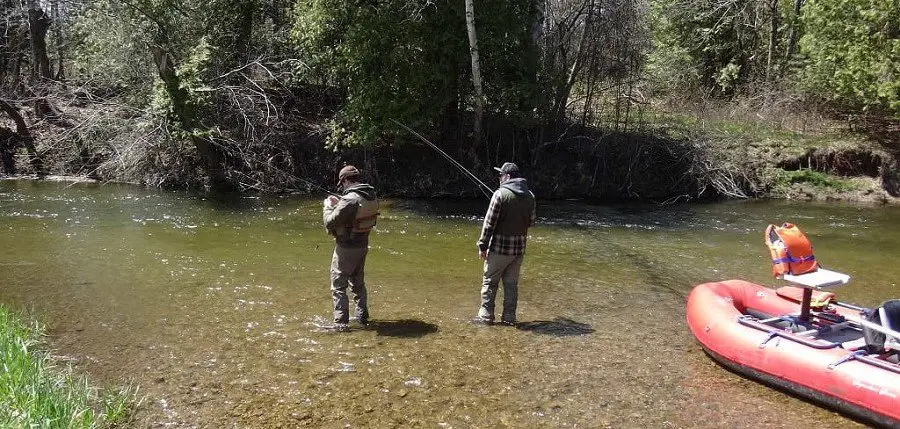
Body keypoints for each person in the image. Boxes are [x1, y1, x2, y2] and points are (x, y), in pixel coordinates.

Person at [475, 162, 536, 325]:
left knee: (490, 282)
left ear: (508, 177)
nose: (499, 178)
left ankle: (486, 317)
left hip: (499, 250)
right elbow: (531, 222)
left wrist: (482, 245)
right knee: (511, 285)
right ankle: (509, 318)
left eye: (501, 175)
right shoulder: (530, 196)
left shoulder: (499, 195)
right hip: (518, 252)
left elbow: (489, 224)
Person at [323, 165, 379, 331]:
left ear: (346, 180)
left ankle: (341, 324)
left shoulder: (350, 200)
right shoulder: (370, 194)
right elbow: (354, 212)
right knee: (358, 284)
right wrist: (339, 202)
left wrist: (328, 206)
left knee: (338, 286)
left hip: (346, 248)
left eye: (342, 183)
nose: (342, 186)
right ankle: (362, 318)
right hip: (362, 246)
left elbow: (330, 222)